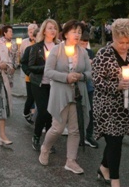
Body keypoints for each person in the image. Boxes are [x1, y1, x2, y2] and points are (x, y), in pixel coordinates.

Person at [92, 18, 129, 187]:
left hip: (127, 105)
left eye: (128, 42)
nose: (125, 46)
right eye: (121, 42)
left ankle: (103, 167)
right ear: (114, 37)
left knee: (115, 141)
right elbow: (97, 80)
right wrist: (115, 86)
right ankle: (115, 180)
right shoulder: (103, 54)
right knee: (115, 143)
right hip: (108, 106)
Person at [38, 20, 91, 174]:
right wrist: (66, 77)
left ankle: (71, 161)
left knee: (75, 129)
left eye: (79, 32)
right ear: (66, 34)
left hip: (77, 93)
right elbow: (48, 72)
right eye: (74, 31)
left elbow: (89, 73)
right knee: (58, 128)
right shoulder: (56, 50)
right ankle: (45, 148)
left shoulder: (83, 52)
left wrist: (80, 76)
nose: (77, 35)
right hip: (61, 93)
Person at [28, 19, 59, 151]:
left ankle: (48, 140)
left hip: (55, 84)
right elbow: (31, 66)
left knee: (51, 112)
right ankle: (36, 135)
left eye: (55, 28)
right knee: (43, 110)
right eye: (50, 28)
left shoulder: (60, 47)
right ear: (44, 31)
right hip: (39, 83)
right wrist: (45, 67)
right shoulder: (37, 47)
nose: (53, 30)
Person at [79, 30, 98, 149]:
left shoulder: (90, 53)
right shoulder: (73, 53)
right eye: (82, 43)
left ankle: (89, 135)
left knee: (91, 110)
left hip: (89, 85)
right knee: (79, 111)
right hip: (78, 86)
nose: (84, 46)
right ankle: (79, 135)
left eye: (86, 43)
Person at [20, 23, 38, 124]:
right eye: (30, 31)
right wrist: (29, 73)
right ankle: (27, 112)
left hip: (42, 78)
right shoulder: (28, 47)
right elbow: (23, 61)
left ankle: (37, 116)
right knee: (31, 97)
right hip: (30, 77)